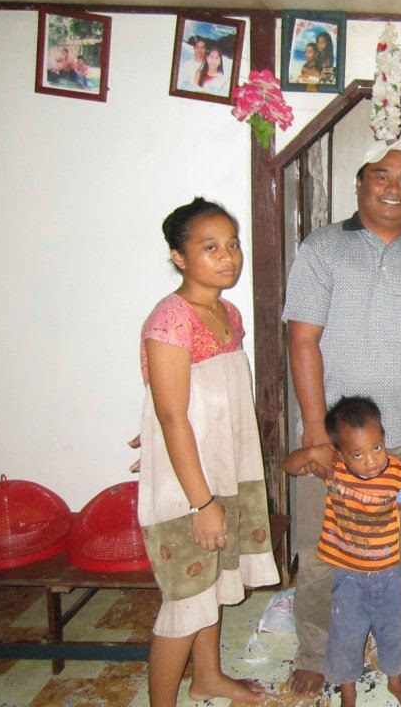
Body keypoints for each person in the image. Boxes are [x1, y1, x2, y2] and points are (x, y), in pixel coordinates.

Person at [282, 140, 401, 696]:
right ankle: (316, 650)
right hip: (334, 442)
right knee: (321, 554)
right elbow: (302, 339)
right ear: (359, 183)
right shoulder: (322, 248)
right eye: (381, 175)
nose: (393, 188)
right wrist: (317, 434)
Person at [137, 198, 280, 706]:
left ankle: (208, 678)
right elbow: (172, 416)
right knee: (184, 602)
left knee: (212, 586)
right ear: (179, 257)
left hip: (223, 470)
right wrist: (202, 504)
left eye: (232, 244)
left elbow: (204, 396)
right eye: (210, 247)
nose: (228, 257)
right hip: (190, 486)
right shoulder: (170, 320)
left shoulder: (228, 313)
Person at [283, 397, 401, 707]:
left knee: (394, 631)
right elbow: (289, 467)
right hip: (349, 578)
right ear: (340, 453)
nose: (371, 461)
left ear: (384, 439)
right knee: (347, 633)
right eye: (358, 454)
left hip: (389, 574)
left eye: (377, 448)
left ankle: (395, 682)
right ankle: (349, 692)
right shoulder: (335, 472)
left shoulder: (393, 473)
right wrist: (312, 453)